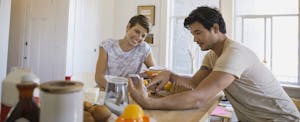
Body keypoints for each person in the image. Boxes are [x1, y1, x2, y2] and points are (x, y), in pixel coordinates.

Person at [128, 6, 300, 121]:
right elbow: (195, 84)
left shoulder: (234, 53)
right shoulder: (212, 56)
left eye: (198, 33)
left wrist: (149, 103)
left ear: (216, 29)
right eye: (193, 34)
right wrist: (170, 74)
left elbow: (199, 97)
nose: (195, 39)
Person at [95, 15, 155, 90]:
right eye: (137, 31)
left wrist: (142, 76)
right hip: (106, 91)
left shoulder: (143, 49)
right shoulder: (107, 45)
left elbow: (154, 73)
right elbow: (98, 77)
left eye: (143, 36)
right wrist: (119, 90)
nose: (139, 37)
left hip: (129, 93)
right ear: (128, 27)